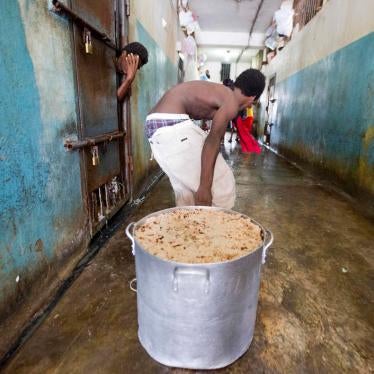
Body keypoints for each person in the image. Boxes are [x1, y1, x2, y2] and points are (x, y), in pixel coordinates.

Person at [146, 68, 265, 208]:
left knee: (186, 191)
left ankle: (188, 226)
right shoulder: (231, 102)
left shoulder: (222, 92)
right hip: (171, 123)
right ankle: (216, 226)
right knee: (222, 186)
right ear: (253, 98)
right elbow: (213, 141)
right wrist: (205, 187)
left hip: (156, 126)